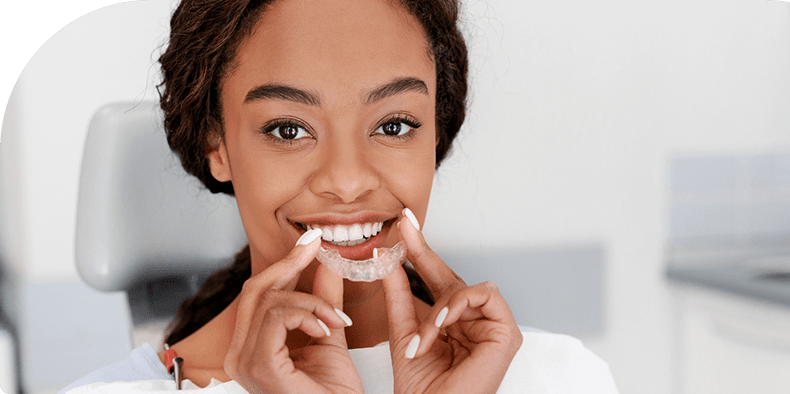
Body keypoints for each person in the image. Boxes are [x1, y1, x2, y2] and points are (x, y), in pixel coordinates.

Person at [62, 0, 617, 392]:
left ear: (436, 132)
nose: (348, 181)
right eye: (288, 129)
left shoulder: (559, 377)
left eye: (395, 125)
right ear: (218, 144)